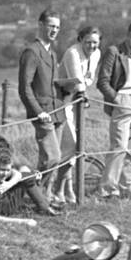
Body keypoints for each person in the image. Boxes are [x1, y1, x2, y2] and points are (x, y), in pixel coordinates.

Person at [97, 21, 131, 198]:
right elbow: (102, 81)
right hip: (123, 101)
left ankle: (127, 186)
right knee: (119, 145)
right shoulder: (114, 52)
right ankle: (109, 189)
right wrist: (116, 99)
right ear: (127, 36)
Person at [50, 24, 101, 204]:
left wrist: (83, 90)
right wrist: (82, 90)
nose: (92, 46)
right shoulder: (73, 53)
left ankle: (66, 190)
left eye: (95, 42)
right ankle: (58, 189)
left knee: (72, 147)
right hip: (63, 100)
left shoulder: (96, 54)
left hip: (77, 102)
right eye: (88, 42)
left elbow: (89, 78)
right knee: (71, 145)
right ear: (80, 40)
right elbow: (79, 83)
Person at [18, 8, 63, 193]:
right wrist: (38, 112)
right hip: (43, 114)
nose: (54, 30)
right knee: (54, 157)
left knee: (48, 160)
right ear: (41, 25)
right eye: (51, 26)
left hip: (57, 111)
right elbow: (25, 87)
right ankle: (36, 195)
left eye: (57, 27)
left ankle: (44, 196)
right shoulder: (32, 52)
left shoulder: (52, 53)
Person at [0, 137, 56, 219]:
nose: (4, 153)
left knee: (25, 171)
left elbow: (16, 172)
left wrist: (10, 183)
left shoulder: (1, 161)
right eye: (1, 150)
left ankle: (44, 204)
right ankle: (44, 206)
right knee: (27, 176)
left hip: (4, 195)